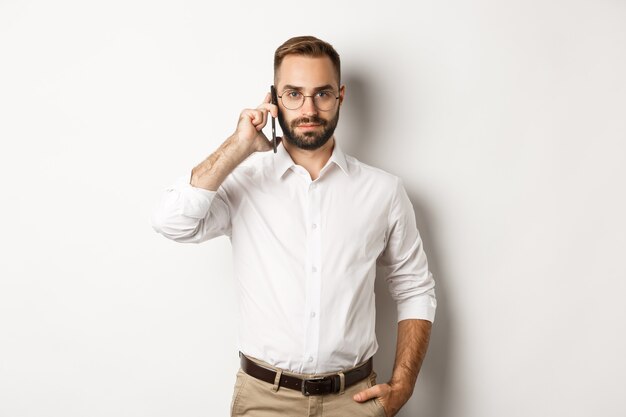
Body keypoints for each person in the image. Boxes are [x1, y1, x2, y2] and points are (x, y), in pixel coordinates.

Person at [151, 35, 436, 417]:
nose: (309, 108)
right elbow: (171, 222)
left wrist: (403, 386)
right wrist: (238, 145)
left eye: (322, 94)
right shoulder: (243, 182)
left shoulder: (383, 191)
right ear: (273, 98)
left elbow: (415, 286)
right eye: (293, 94)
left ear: (340, 96)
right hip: (264, 400)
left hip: (354, 401)